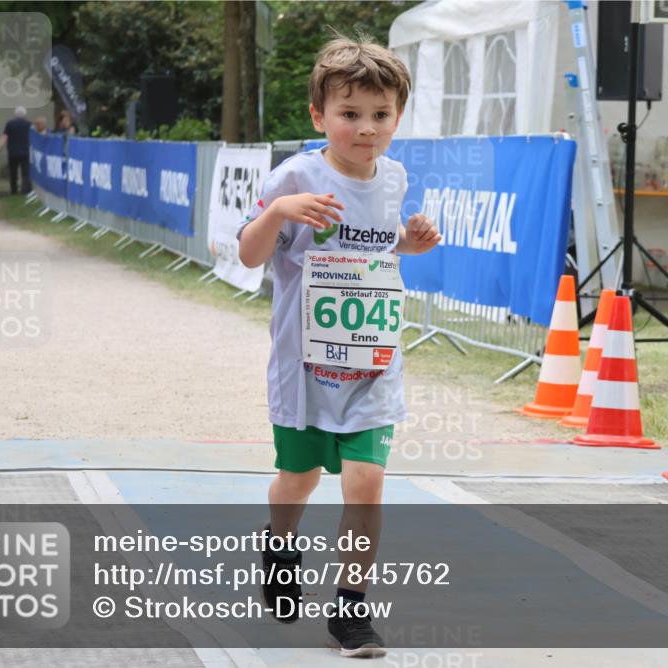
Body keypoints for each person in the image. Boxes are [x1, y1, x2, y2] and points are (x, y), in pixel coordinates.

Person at [236, 36, 441, 658]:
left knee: (365, 482)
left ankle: (351, 610)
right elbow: (248, 254)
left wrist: (412, 243)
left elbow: (379, 247)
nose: (366, 128)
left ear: (397, 118)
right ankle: (279, 545)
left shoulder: (395, 177)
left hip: (373, 364)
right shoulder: (296, 176)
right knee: (296, 480)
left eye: (381, 115)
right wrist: (279, 213)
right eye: (350, 114)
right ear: (318, 116)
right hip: (305, 369)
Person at [0, 106, 31, 195]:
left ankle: (13, 191)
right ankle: (25, 191)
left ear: (15, 115)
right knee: (25, 173)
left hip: (13, 152)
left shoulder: (10, 124)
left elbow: (4, 137)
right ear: (25, 115)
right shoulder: (29, 124)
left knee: (13, 173)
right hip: (25, 152)